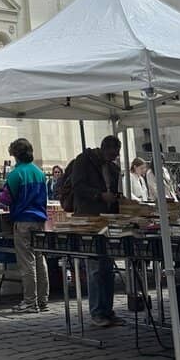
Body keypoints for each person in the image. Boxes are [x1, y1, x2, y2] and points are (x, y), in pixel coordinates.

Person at [71, 134, 124, 328]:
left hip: (107, 220)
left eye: (117, 154)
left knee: (108, 268)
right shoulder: (84, 160)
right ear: (104, 148)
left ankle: (108, 310)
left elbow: (115, 189)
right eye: (112, 153)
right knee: (95, 268)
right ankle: (97, 312)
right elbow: (78, 186)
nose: (114, 157)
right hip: (89, 219)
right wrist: (100, 195)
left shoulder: (112, 167)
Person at [1, 137, 48, 315]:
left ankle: (30, 302)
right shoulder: (39, 172)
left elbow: (5, 198)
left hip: (23, 221)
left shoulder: (16, 174)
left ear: (15, 155)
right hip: (40, 220)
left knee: (27, 262)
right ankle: (43, 300)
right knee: (39, 259)